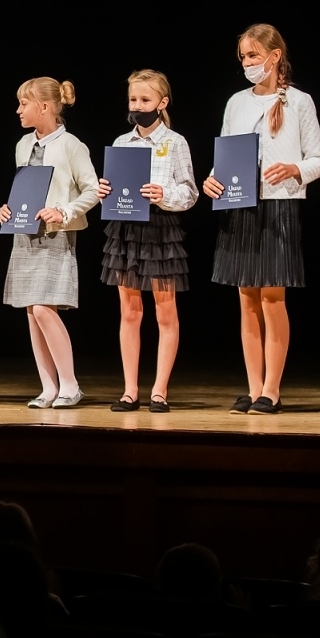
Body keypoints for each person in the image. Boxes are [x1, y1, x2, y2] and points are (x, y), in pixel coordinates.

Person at [204, 24, 320, 415]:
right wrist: (212, 180)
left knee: (273, 298)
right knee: (246, 301)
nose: (248, 63)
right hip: (239, 206)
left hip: (278, 206)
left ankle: (271, 389)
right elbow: (225, 156)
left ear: (274, 57)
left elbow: (319, 160)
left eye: (254, 55)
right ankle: (253, 386)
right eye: (243, 57)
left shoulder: (299, 102)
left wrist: (294, 169)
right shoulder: (235, 102)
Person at [96, 69, 197, 413]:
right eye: (133, 100)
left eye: (145, 100)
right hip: (126, 230)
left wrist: (163, 193)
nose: (138, 106)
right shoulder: (122, 143)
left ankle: (159, 390)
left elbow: (190, 191)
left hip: (160, 228)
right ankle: (129, 390)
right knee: (129, 311)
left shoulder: (175, 142)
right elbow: (113, 187)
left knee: (165, 311)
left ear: (161, 103)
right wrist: (104, 190)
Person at [0, 78, 98, 408]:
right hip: (25, 235)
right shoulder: (23, 145)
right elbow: (24, 186)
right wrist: (8, 208)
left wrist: (63, 211)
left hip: (56, 235)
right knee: (32, 311)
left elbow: (93, 189)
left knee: (43, 307)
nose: (18, 110)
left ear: (44, 107)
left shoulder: (71, 145)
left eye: (23, 103)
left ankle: (70, 385)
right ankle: (48, 387)